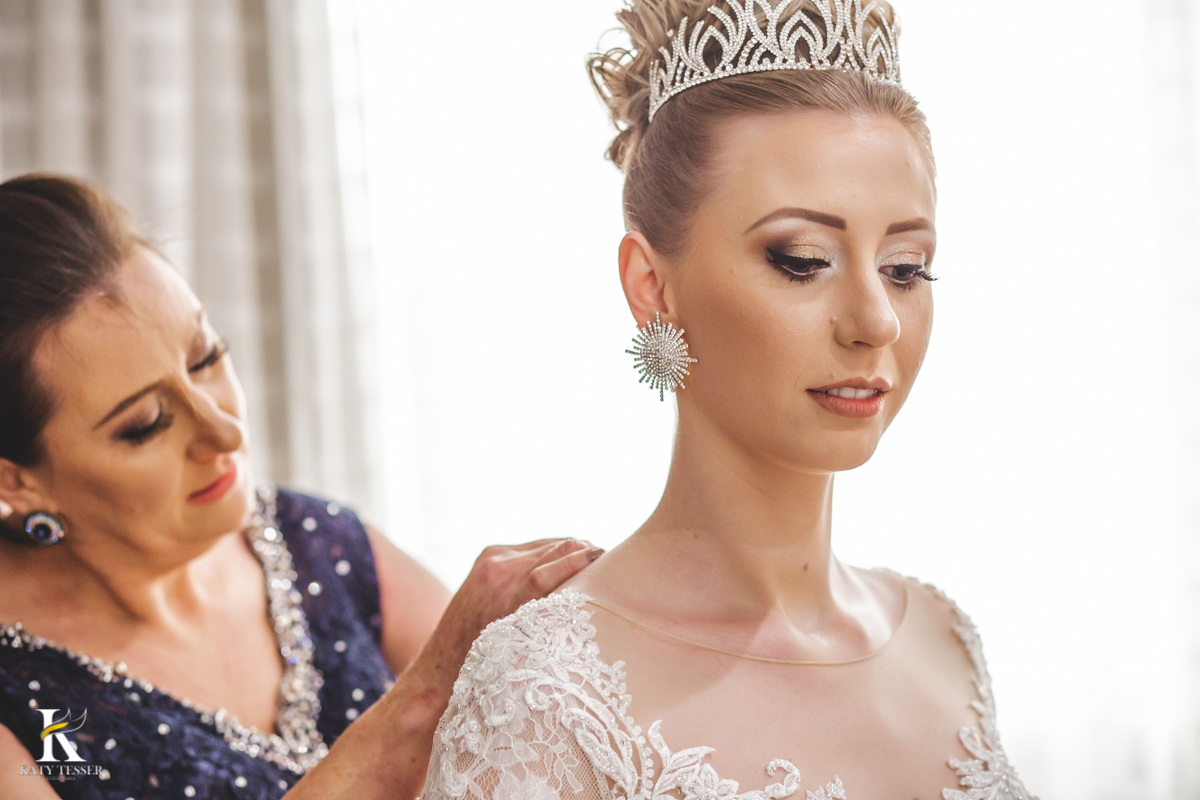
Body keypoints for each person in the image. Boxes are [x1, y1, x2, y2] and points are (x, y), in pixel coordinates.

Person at [421, 2, 1038, 798]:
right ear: (652, 287)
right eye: (802, 259)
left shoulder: (944, 639)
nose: (877, 320)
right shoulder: (545, 690)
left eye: (906, 268)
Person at [0, 174, 603, 800]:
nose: (226, 431)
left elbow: (544, 749)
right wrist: (428, 689)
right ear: (15, 481)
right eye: (145, 424)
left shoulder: (317, 540)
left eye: (206, 358)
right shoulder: (23, 712)